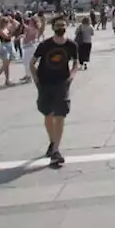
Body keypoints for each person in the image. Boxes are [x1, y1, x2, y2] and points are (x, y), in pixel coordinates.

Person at [32, 16, 80, 168]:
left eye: (63, 25)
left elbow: (76, 63)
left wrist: (71, 78)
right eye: (58, 25)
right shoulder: (45, 45)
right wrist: (37, 82)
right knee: (48, 114)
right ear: (53, 27)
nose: (61, 27)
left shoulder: (71, 45)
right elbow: (32, 63)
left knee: (60, 115)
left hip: (62, 83)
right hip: (45, 82)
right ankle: (53, 142)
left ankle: (56, 150)